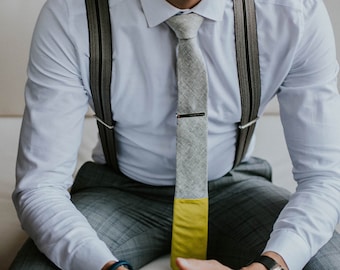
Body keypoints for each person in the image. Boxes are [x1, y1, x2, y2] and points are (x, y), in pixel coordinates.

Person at [10, 0, 340, 269]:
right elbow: (40, 186)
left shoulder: (294, 13)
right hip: (120, 191)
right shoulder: (73, 14)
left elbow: (325, 177)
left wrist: (271, 266)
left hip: (234, 185)